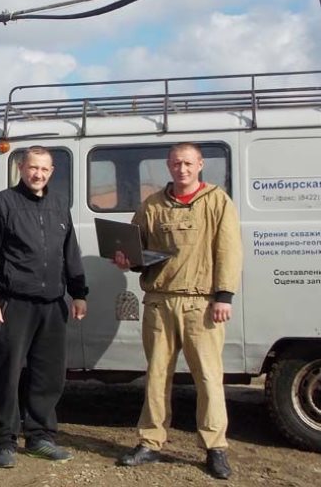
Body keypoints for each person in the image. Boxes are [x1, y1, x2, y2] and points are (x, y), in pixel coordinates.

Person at [113, 142, 242, 480]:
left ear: (200, 165)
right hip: (159, 301)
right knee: (156, 376)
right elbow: (134, 246)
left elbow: (228, 249)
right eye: (175, 164)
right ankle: (150, 442)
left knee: (209, 377)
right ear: (168, 166)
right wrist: (125, 259)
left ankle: (215, 448)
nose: (181, 169)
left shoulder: (217, 201)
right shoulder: (152, 205)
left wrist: (224, 296)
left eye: (187, 163)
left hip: (201, 303)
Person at [0, 146, 88, 469]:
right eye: (32, 168)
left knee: (48, 375)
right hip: (13, 303)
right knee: (7, 373)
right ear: (21, 168)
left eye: (45, 169)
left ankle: (40, 437)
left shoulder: (59, 205)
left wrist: (78, 293)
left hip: (53, 304)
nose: (38, 174)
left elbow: (71, 253)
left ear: (52, 172)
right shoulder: (2, 203)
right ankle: (3, 441)